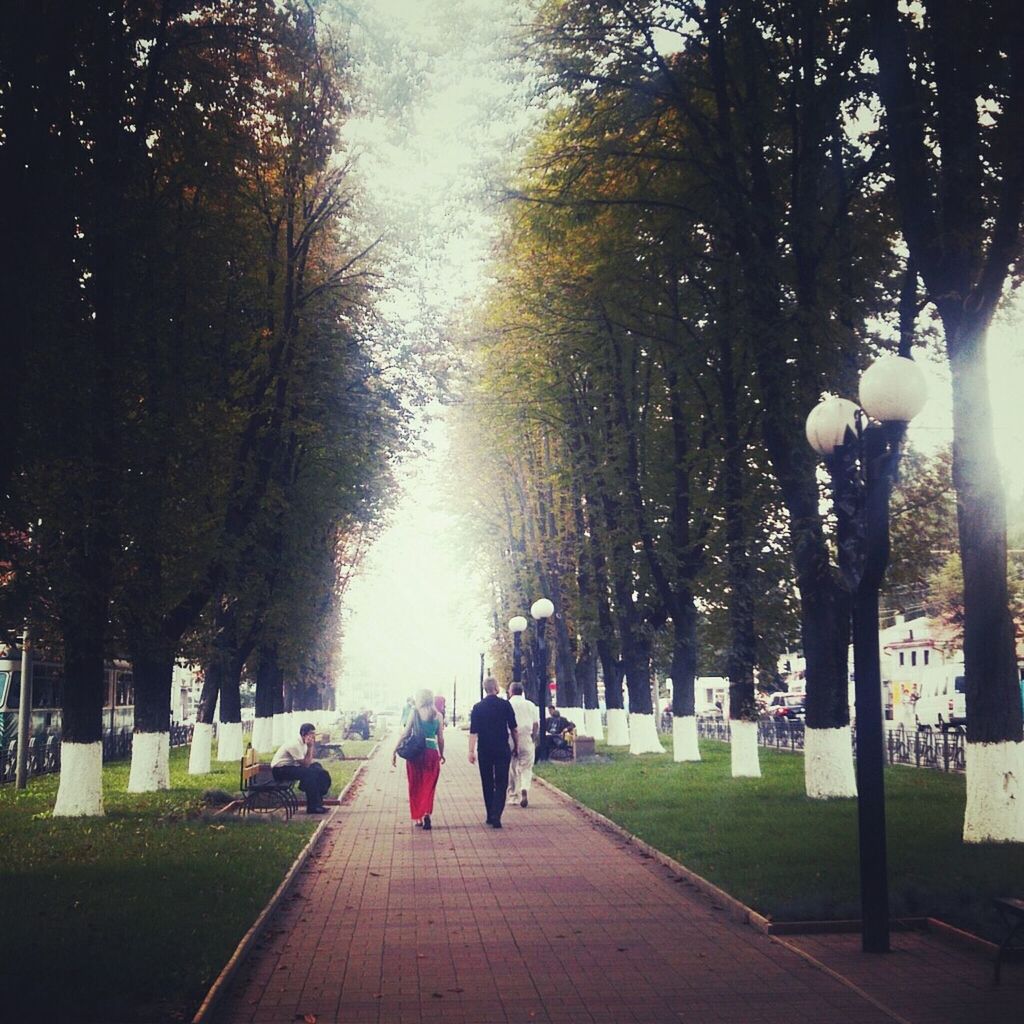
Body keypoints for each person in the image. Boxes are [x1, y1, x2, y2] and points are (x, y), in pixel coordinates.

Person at [392, 688, 445, 830]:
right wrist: (442, 753)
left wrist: (395, 750)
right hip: (432, 752)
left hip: (416, 753)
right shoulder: (438, 715)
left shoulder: (414, 712)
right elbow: (440, 738)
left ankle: (418, 818)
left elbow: (405, 733)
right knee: (429, 785)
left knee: (415, 784)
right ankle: (427, 812)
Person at [469, 677, 518, 828]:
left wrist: (470, 751)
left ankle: (490, 813)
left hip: (484, 749)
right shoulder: (505, 705)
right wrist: (516, 745)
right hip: (502, 748)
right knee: (501, 781)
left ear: (485, 689)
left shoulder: (478, 707)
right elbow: (513, 728)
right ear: (496, 688)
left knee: (487, 781)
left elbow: (473, 732)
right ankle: (497, 813)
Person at [271, 722, 332, 814]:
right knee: (310, 774)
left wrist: (310, 747)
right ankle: (313, 807)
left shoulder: (303, 743)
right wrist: (310, 747)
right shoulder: (294, 744)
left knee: (317, 767)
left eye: (314, 733)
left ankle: (317, 802)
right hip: (280, 770)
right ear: (303, 733)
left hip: (291, 767)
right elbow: (306, 764)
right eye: (311, 733)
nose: (313, 736)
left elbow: (309, 760)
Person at [506, 682, 539, 808]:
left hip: (511, 738)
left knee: (512, 767)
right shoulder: (530, 705)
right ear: (522, 691)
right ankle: (524, 788)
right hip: (526, 737)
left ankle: (513, 796)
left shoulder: (508, 704)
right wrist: (533, 737)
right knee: (526, 767)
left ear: (511, 691)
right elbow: (536, 724)